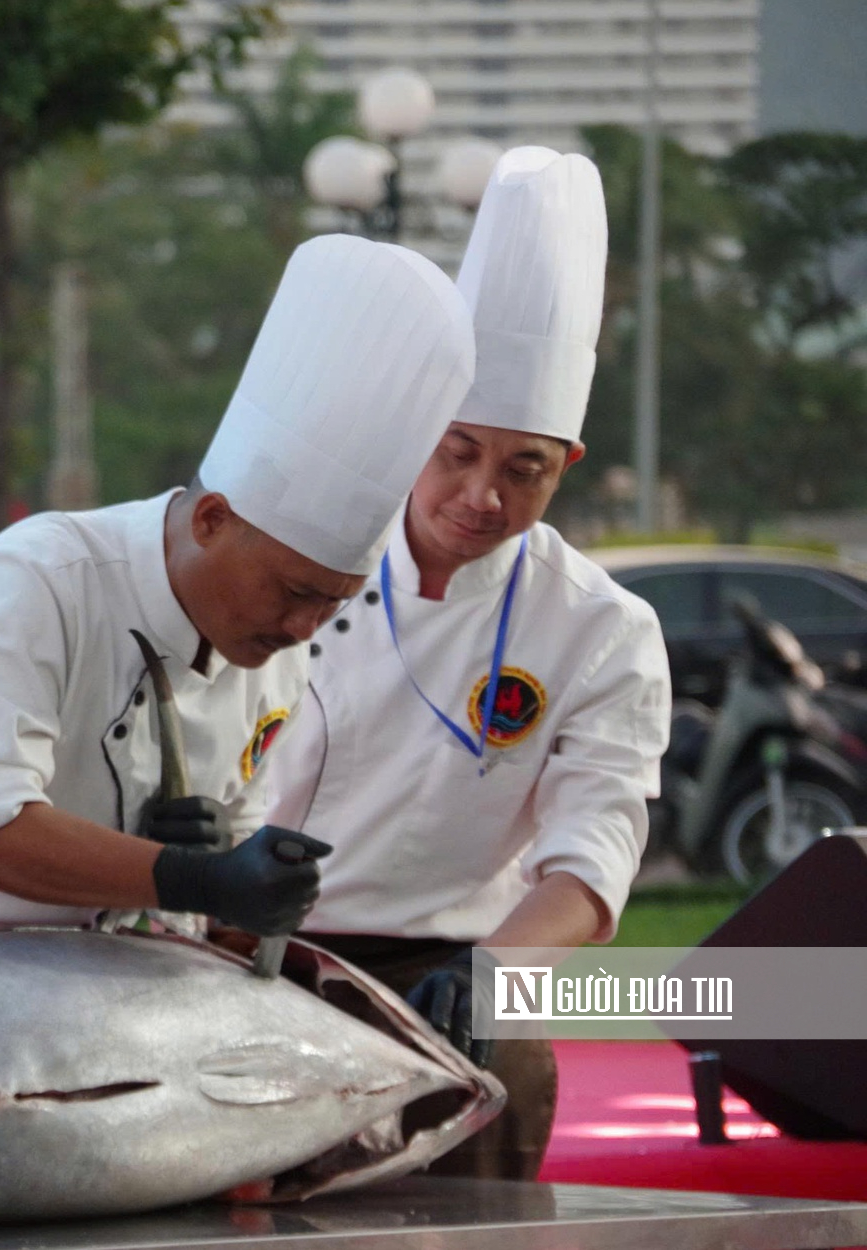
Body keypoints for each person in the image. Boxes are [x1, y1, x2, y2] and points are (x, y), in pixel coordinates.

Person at [0, 233, 478, 1012]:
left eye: (335, 602)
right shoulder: (41, 578)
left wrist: (242, 882)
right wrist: (185, 872)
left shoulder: (280, 654)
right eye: (294, 590)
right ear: (213, 518)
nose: (304, 625)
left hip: (57, 1003)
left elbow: (231, 864)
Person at [263, 148, 673, 1180]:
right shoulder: (293, 561)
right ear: (413, 427)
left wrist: (493, 971)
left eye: (521, 467)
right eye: (456, 450)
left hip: (466, 978)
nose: (481, 495)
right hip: (260, 965)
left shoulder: (599, 627)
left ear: (564, 464)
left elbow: (591, 853)